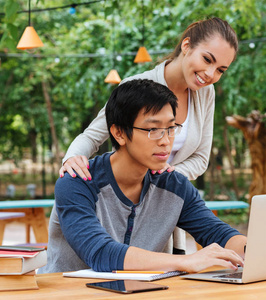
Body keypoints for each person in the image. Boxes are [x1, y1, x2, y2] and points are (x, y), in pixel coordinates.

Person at [39, 79, 246, 274]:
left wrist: (256, 252)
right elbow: (101, 254)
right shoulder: (77, 182)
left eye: (171, 128)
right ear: (119, 133)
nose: (166, 141)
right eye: (153, 129)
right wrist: (185, 262)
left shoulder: (172, 183)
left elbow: (219, 233)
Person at [59, 17, 238, 182]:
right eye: (207, 59)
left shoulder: (206, 92)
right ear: (186, 46)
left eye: (220, 70)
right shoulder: (136, 86)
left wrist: (166, 176)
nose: (210, 74)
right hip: (126, 192)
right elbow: (92, 136)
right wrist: (72, 158)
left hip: (169, 196)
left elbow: (200, 159)